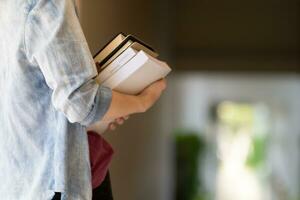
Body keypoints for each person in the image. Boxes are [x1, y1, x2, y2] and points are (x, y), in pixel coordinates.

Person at [0, 0, 167, 199]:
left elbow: (33, 101)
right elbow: (80, 103)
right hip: (54, 184)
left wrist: (103, 112)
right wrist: (143, 101)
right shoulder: (49, 3)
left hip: (20, 185)